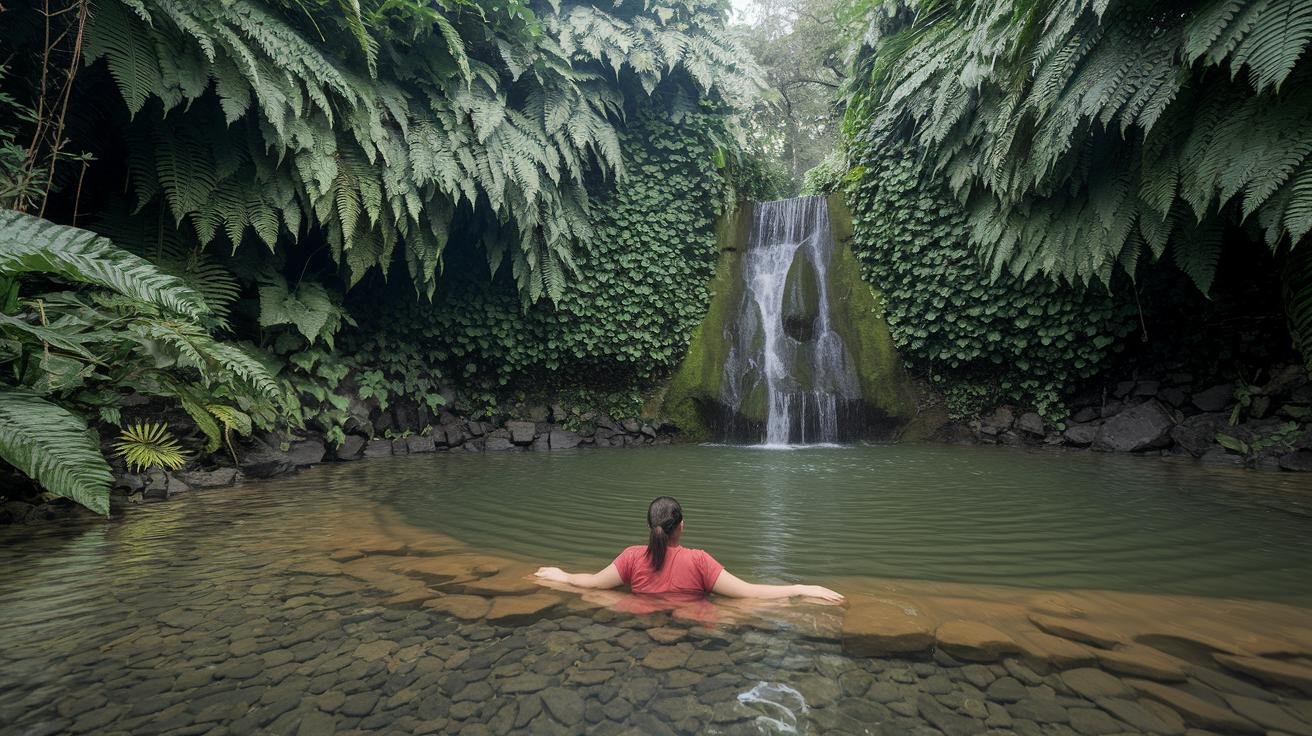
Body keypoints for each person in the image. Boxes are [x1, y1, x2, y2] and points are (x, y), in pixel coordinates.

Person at [533, 496, 844, 603]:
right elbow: (749, 592)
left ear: (650, 529)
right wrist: (802, 588)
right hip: (694, 631)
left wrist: (560, 575)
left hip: (644, 626)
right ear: (681, 525)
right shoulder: (698, 561)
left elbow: (591, 583)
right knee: (742, 608)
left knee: (604, 597)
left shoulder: (631, 557)